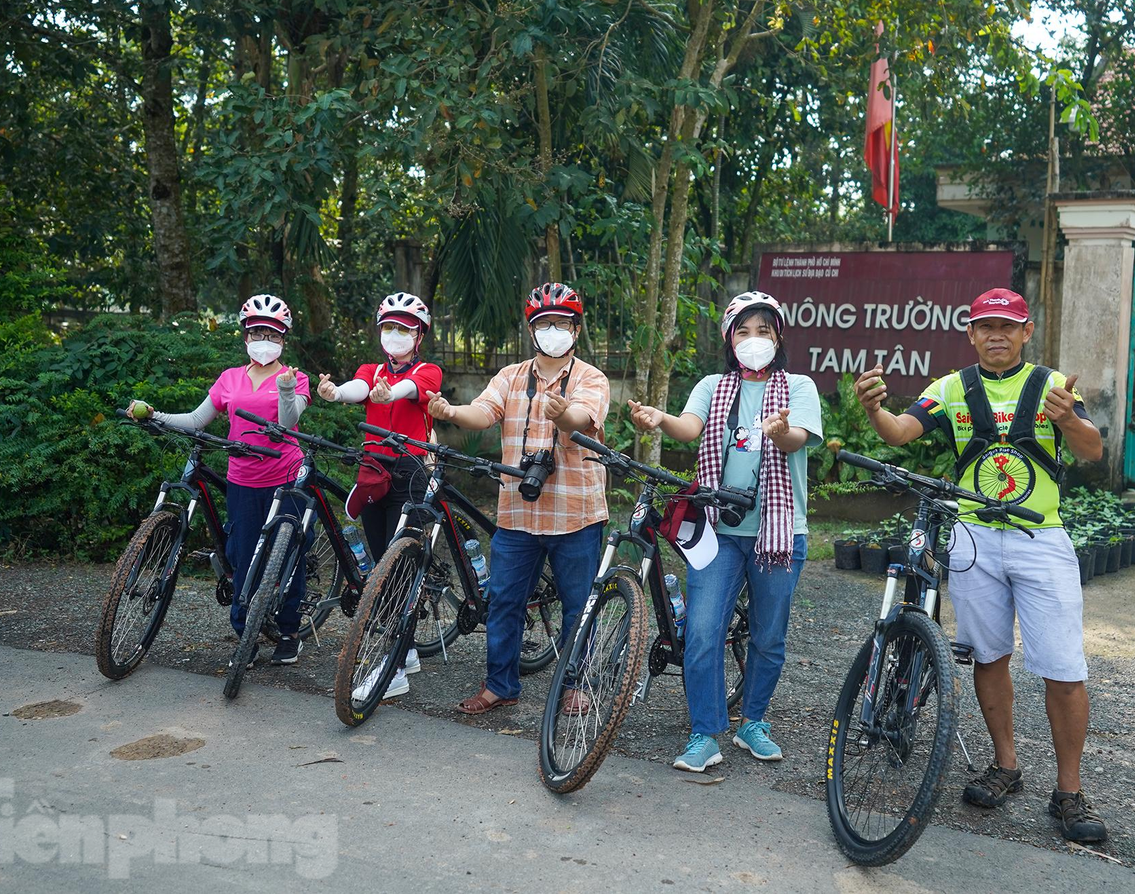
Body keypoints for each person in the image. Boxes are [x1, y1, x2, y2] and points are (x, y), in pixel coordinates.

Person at [853, 286, 1108, 844]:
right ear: (970, 333)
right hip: (973, 539)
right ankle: (1005, 765)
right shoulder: (950, 389)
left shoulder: (1051, 386)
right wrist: (874, 408)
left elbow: (1093, 450)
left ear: (1026, 331)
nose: (997, 335)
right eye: (986, 326)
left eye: (1008, 326)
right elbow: (900, 431)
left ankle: (1070, 791)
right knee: (988, 657)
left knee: (1063, 669)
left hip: (1040, 538)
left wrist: (1068, 421)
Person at [628, 291, 822, 772]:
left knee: (768, 635)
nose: (753, 340)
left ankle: (753, 721)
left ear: (778, 336)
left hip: (778, 533)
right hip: (716, 529)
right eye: (743, 330)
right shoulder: (712, 385)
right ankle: (705, 732)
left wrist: (780, 432)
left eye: (764, 330)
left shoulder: (799, 387)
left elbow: (798, 437)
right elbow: (689, 427)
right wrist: (659, 419)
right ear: (728, 338)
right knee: (702, 631)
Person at [426, 283, 609, 715]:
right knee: (504, 601)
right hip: (517, 512)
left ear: (576, 330)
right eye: (544, 323)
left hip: (576, 514)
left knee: (577, 606)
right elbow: (482, 412)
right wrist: (452, 413)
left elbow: (583, 417)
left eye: (561, 323)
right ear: (532, 330)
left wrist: (562, 413)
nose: (552, 331)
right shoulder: (509, 377)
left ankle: (576, 685)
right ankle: (500, 685)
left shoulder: (590, 377)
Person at [127, 294, 313, 667]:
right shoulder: (229, 379)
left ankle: (290, 632)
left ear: (283, 340)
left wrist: (287, 389)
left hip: (286, 476)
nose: (264, 339)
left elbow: (289, 421)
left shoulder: (294, 377)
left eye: (272, 334)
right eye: (257, 332)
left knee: (288, 555)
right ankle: (246, 636)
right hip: (242, 478)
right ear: (245, 336)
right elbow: (198, 420)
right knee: (243, 558)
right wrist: (154, 415)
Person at [317, 291, 441, 700]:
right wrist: (337, 393)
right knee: (379, 561)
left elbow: (409, 389)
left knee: (399, 563)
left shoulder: (429, 371)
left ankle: (394, 665)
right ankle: (402, 650)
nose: (395, 335)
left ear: (418, 335)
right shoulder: (371, 369)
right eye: (389, 327)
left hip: (411, 471)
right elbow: (359, 387)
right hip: (372, 471)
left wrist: (393, 392)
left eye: (404, 328)